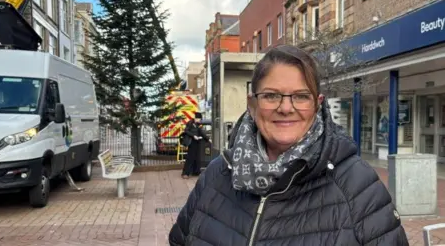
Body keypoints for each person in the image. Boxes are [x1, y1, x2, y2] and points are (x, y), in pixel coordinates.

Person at [169, 45, 409, 245]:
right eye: (272, 95)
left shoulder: (356, 185)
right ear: (252, 104)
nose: (285, 108)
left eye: (301, 96)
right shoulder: (217, 175)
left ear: (317, 104)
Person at [181, 112, 209, 179]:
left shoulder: (198, 124)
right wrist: (193, 136)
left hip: (197, 142)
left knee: (197, 157)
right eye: (199, 119)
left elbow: (201, 132)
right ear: (196, 118)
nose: (200, 120)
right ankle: (185, 173)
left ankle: (196, 172)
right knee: (190, 157)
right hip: (192, 142)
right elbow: (186, 131)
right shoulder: (190, 123)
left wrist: (207, 139)